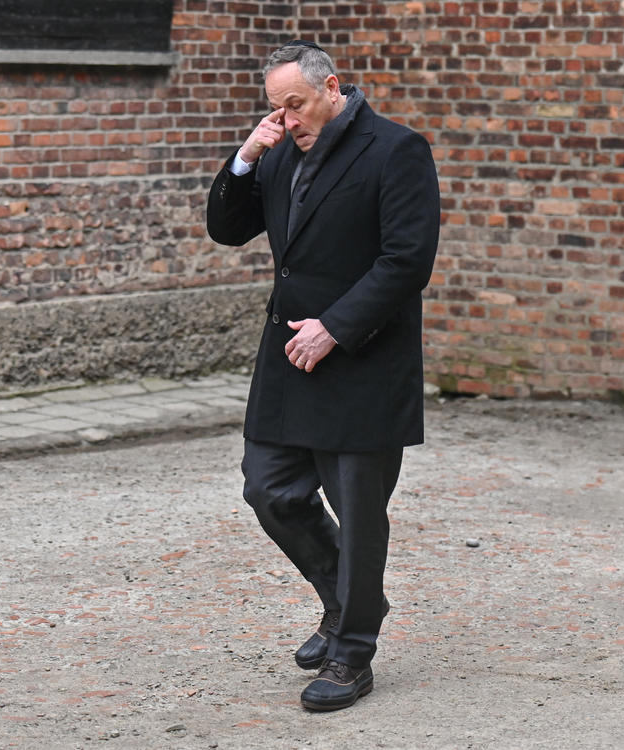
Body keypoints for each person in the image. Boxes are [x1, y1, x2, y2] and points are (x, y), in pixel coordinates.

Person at [206, 40, 440, 711]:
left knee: (361, 515)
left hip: (362, 362)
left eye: (295, 105)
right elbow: (228, 229)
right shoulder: (278, 153)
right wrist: (248, 156)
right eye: (276, 109)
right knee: (269, 488)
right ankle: (346, 600)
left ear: (331, 87)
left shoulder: (396, 150)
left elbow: (405, 261)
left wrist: (336, 326)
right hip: (290, 360)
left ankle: (351, 653)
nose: (287, 119)